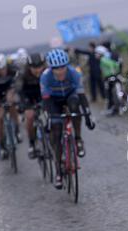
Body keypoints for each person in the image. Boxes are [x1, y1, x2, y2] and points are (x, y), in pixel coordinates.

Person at [40, 48, 95, 189]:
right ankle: (58, 171)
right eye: (56, 68)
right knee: (56, 132)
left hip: (71, 97)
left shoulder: (74, 73)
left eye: (63, 67)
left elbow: (82, 96)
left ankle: (78, 139)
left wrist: (88, 115)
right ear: (51, 68)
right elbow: (46, 101)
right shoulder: (45, 77)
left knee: (75, 108)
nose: (60, 71)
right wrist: (49, 118)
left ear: (67, 65)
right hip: (53, 101)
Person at [15, 53, 46, 158]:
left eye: (40, 67)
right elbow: (18, 90)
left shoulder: (47, 71)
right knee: (29, 116)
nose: (37, 70)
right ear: (29, 67)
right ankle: (32, 143)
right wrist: (21, 104)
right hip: (27, 96)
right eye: (34, 68)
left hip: (42, 94)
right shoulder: (23, 73)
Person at [96, 46, 122, 116]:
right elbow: (115, 64)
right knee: (111, 93)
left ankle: (111, 108)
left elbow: (112, 64)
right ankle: (114, 108)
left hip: (109, 77)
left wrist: (113, 72)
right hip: (110, 77)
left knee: (109, 93)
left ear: (101, 53)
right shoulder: (105, 58)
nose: (96, 55)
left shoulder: (103, 59)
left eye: (97, 53)